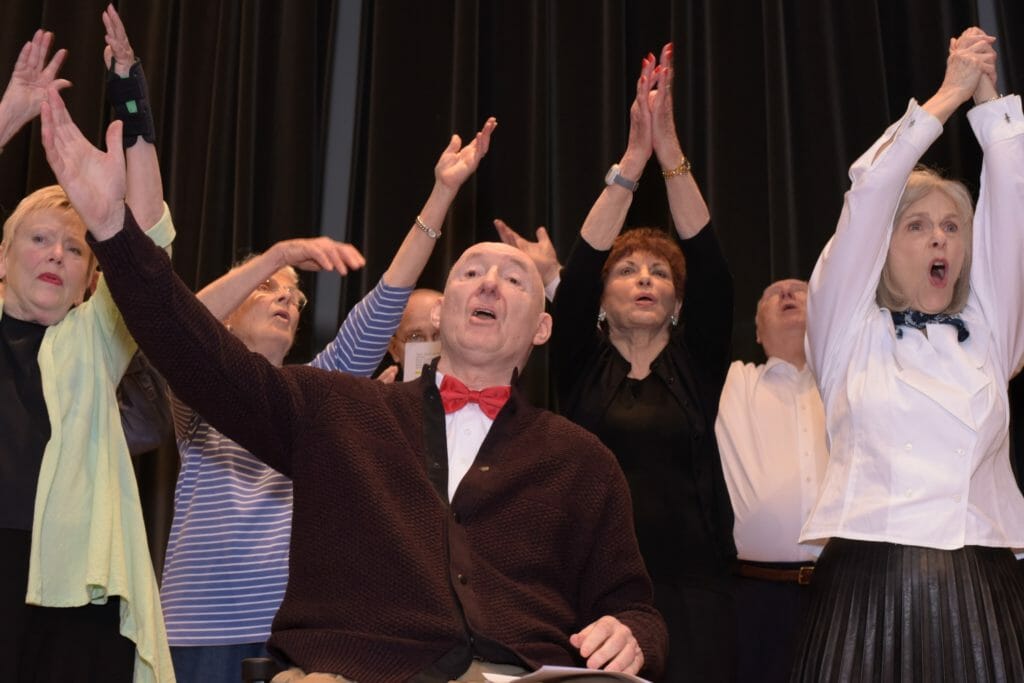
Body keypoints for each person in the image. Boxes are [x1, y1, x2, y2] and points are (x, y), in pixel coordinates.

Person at [41, 82, 667, 681]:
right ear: (440, 311)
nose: (487, 284)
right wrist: (113, 233)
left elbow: (636, 606)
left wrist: (633, 632)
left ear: (543, 328)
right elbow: (195, 352)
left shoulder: (582, 461)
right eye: (470, 271)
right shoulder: (339, 410)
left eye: (513, 279)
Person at [793, 28, 1024, 681]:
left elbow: (1015, 209)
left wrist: (991, 106)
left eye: (952, 225)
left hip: (981, 581)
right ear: (885, 248)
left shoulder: (991, 328)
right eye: (917, 225)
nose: (938, 239)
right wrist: (949, 95)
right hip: (867, 588)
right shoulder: (848, 329)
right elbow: (867, 196)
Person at [549, 44, 735, 681]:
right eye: (627, 271)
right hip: (588, 594)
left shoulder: (698, 366)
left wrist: (669, 149)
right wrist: (632, 160)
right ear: (602, 302)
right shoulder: (576, 365)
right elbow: (575, 276)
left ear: (678, 306)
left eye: (660, 273)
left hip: (697, 594)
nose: (645, 279)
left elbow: (709, 266)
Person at [0, 19, 173, 683]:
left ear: (90, 277)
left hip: (77, 588)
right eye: (41, 239)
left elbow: (149, 242)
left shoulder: (94, 336)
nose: (57, 255)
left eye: (75, 248)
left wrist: (132, 103)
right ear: (6, 256)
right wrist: (12, 114)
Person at [714, 278, 827, 683]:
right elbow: (642, 339)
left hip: (844, 591)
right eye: (772, 294)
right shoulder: (729, 383)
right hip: (755, 601)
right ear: (757, 331)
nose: (787, 294)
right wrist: (555, 281)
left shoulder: (851, 384)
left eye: (801, 290)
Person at [375, 287, 442, 382]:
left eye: (441, 335)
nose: (430, 347)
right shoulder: (381, 396)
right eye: (416, 337)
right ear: (394, 349)